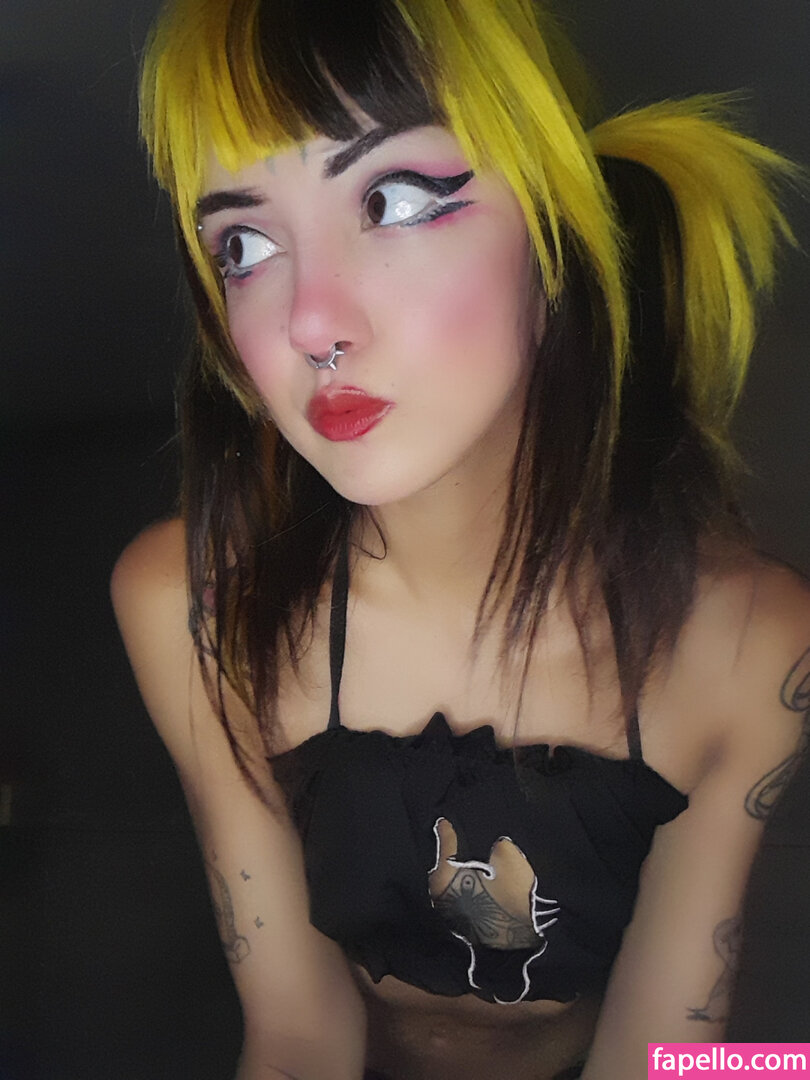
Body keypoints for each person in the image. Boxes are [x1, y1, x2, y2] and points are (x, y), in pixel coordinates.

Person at [112, 1, 808, 1077]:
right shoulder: (188, 602)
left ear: (557, 238)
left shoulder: (754, 645)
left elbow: (672, 1052)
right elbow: (296, 1031)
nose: (311, 323)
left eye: (392, 199)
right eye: (244, 246)